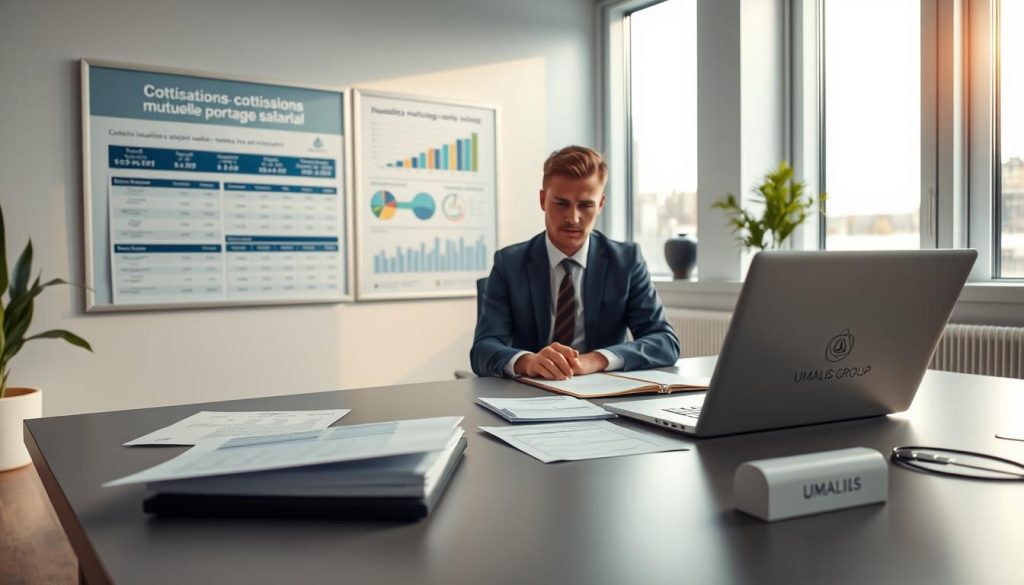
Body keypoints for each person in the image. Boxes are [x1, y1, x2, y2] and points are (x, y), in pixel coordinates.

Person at [470, 145, 680, 380]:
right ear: (542, 200)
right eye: (561, 203)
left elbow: (665, 342)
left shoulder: (626, 261)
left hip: (603, 392)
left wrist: (596, 359)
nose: (573, 218)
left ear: (600, 204)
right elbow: (483, 349)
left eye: (585, 205)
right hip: (530, 393)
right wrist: (528, 362)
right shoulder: (509, 263)